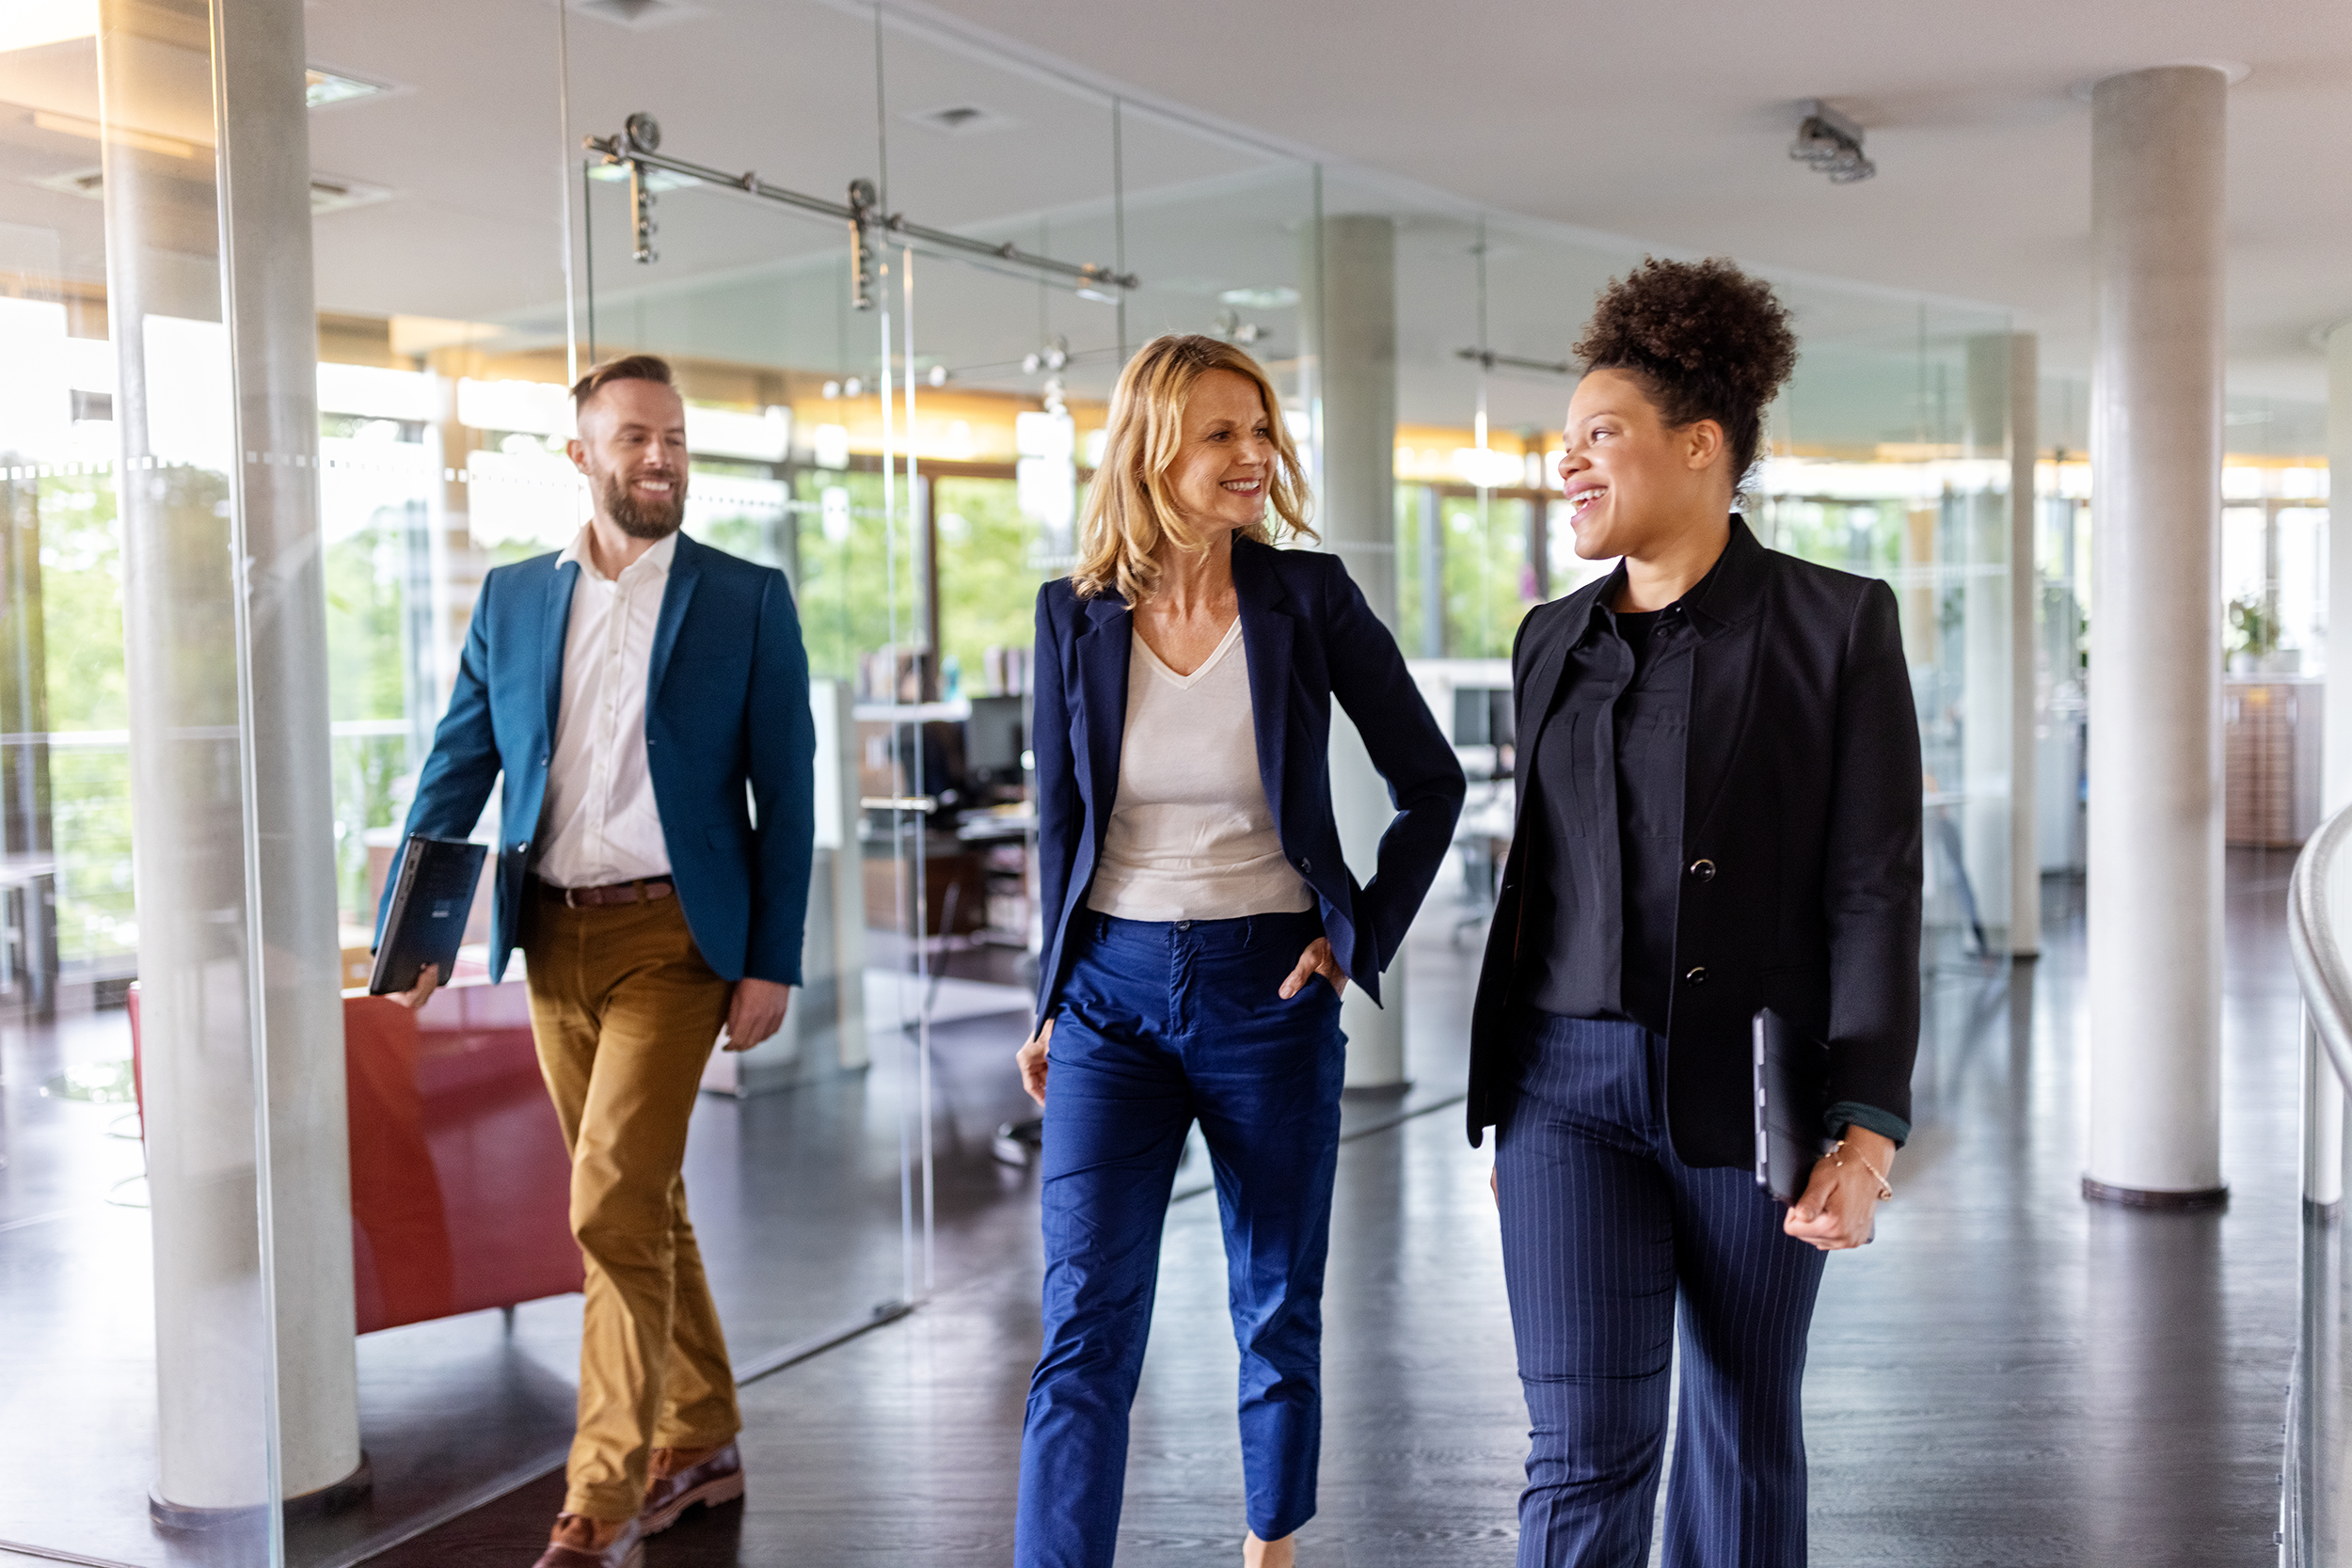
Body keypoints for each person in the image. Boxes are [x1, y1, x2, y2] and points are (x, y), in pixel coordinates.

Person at [1466, 259, 1921, 1568]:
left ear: (1701, 445)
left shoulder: (1837, 627)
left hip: (1752, 1088)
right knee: (1580, 1447)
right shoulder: (1548, 638)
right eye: (1564, 445)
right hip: (1564, 1093)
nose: (1570, 465)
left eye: (1597, 436)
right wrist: (1510, 1094)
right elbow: (1541, 873)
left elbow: (1874, 886)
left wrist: (1868, 1126)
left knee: (1738, 1423)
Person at [1014, 334, 1465, 1568]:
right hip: (1108, 998)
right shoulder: (1073, 618)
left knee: (1274, 1303)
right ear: (1155, 447)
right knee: (1084, 1323)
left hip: (1268, 993)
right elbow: (1061, 824)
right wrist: (1046, 1002)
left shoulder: (1306, 600)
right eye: (1222, 433)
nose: (1254, 455)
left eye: (1260, 429)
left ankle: (1272, 1549)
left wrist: (1356, 933)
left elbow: (1432, 780)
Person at [381, 354, 815, 1568]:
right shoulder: (516, 599)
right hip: (553, 940)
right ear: (581, 457)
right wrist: (411, 932)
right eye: (633, 439)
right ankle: (707, 1428)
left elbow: (788, 793)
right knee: (643, 1204)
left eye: (674, 437)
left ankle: (600, 1493)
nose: (661, 458)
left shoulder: (746, 599)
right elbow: (457, 769)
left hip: (680, 942)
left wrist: (769, 959)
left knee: (606, 1199)